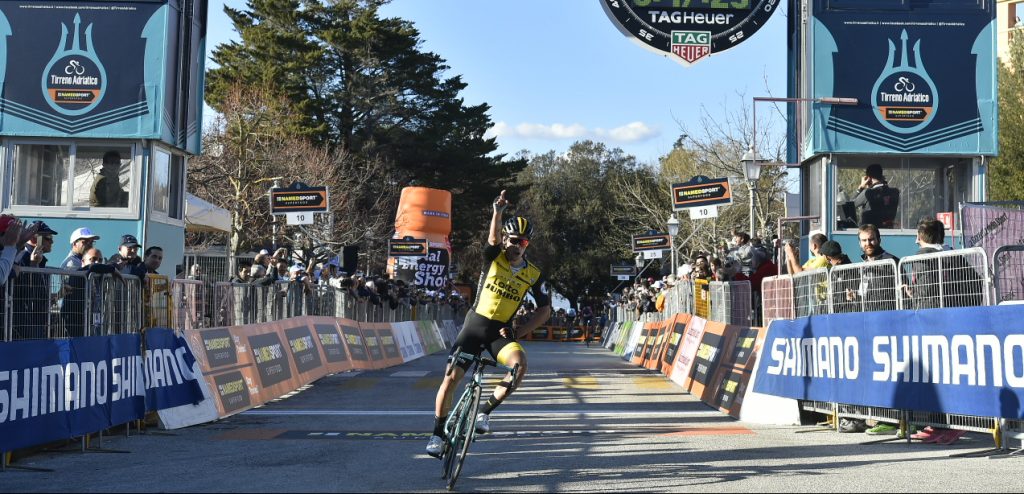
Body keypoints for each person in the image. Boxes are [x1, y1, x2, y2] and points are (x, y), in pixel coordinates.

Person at [426, 190, 552, 458]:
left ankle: (483, 413)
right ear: (506, 239)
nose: (516, 245)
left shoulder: (533, 275)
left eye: (523, 242)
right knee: (451, 379)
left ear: (527, 245)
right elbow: (492, 238)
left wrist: (519, 331)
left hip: (500, 332)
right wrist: (497, 211)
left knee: (519, 365)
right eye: (513, 240)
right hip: (474, 326)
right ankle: (437, 434)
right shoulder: (493, 257)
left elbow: (545, 310)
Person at [853, 163, 899, 229]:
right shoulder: (895, 192)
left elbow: (850, 206)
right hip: (888, 230)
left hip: (869, 231)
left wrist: (860, 188)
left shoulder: (867, 193)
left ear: (869, 178)